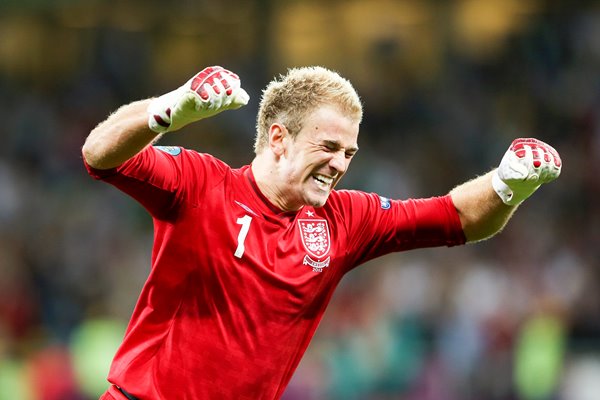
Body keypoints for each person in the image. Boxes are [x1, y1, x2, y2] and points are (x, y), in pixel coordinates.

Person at [82, 65, 561, 400]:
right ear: (278, 138)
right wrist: (168, 111)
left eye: (349, 153)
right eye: (328, 146)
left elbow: (456, 217)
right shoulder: (202, 184)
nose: (339, 164)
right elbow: (100, 154)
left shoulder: (346, 221)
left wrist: (507, 185)